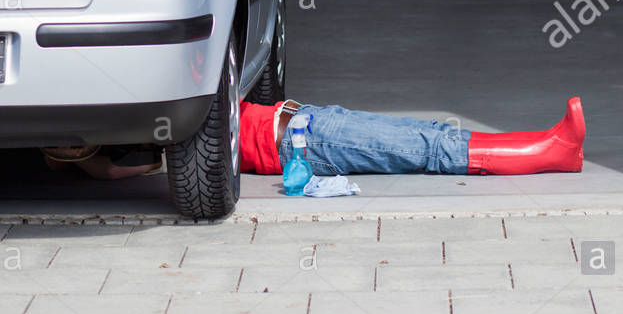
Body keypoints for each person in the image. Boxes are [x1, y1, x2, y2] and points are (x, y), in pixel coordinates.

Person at [41, 95, 585, 181]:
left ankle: (547, 140)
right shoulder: (147, 145)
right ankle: (552, 153)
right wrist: (84, 158)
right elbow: (112, 169)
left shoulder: (149, 120)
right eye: (63, 147)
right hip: (305, 143)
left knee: (429, 133)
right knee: (426, 150)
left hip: (310, 119)